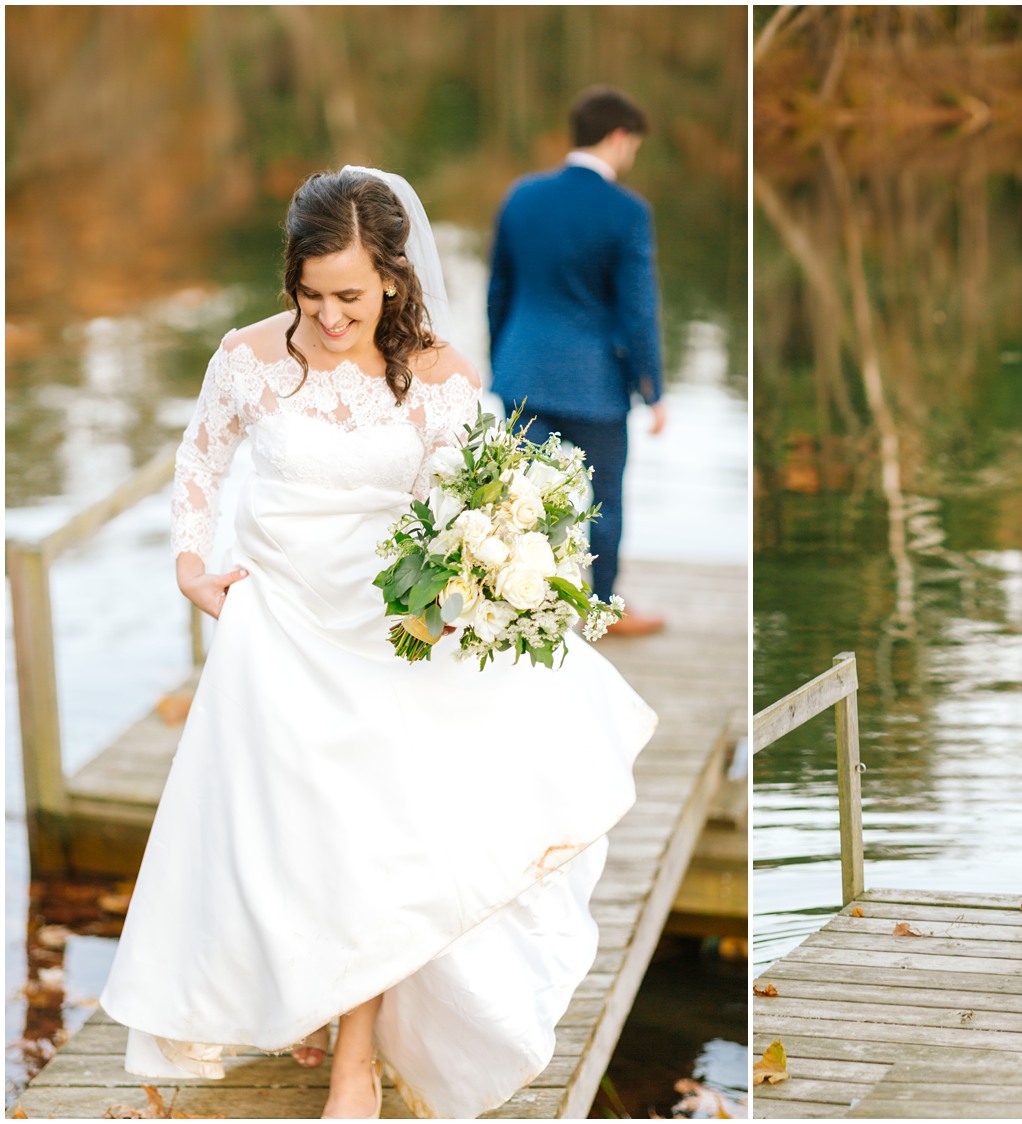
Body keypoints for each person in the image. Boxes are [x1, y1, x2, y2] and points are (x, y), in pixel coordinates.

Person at [98, 167, 657, 1119]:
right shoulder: (247, 358)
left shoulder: (440, 378)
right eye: (310, 295)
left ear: (393, 279)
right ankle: (310, 1004)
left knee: (370, 845)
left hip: (391, 631)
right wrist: (192, 568)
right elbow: (202, 456)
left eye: (349, 296)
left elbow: (462, 508)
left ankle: (357, 1058)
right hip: (275, 622)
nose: (327, 317)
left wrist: (461, 588)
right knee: (292, 844)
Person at [487, 85, 666, 637]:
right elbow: (638, 309)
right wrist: (653, 388)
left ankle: (514, 598)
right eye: (632, 144)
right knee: (604, 498)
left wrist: (502, 361)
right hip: (595, 384)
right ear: (618, 137)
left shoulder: (521, 196)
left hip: (522, 375)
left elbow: (499, 290)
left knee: (521, 495)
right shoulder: (627, 211)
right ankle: (600, 606)